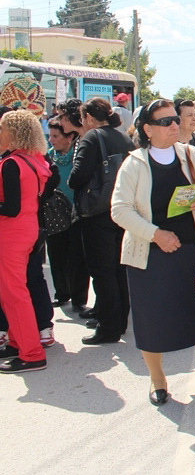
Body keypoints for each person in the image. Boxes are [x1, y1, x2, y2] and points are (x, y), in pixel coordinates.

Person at [111, 99, 195, 405]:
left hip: (191, 249)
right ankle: (157, 380)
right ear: (147, 129)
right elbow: (119, 210)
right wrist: (155, 234)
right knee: (152, 320)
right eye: (165, 122)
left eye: (175, 120)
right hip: (150, 255)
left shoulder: (190, 153)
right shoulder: (134, 164)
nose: (174, 125)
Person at [68, 98, 135, 345]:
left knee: (102, 271)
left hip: (97, 212)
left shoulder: (91, 137)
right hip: (121, 209)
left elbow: (78, 176)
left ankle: (108, 328)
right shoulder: (123, 137)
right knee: (118, 270)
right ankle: (119, 322)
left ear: (88, 118)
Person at [0, 110, 52, 373]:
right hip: (27, 229)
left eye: (2, 129)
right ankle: (18, 342)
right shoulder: (32, 160)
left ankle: (31, 353)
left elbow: (9, 208)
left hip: (12, 233)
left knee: (14, 293)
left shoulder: (12, 163)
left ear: (13, 132)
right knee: (12, 291)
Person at [45, 119, 89, 312]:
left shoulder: (78, 157)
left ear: (70, 137)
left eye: (56, 136)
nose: (51, 139)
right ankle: (62, 294)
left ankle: (79, 299)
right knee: (56, 255)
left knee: (77, 258)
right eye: (50, 135)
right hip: (54, 215)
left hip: (75, 214)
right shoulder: (48, 157)